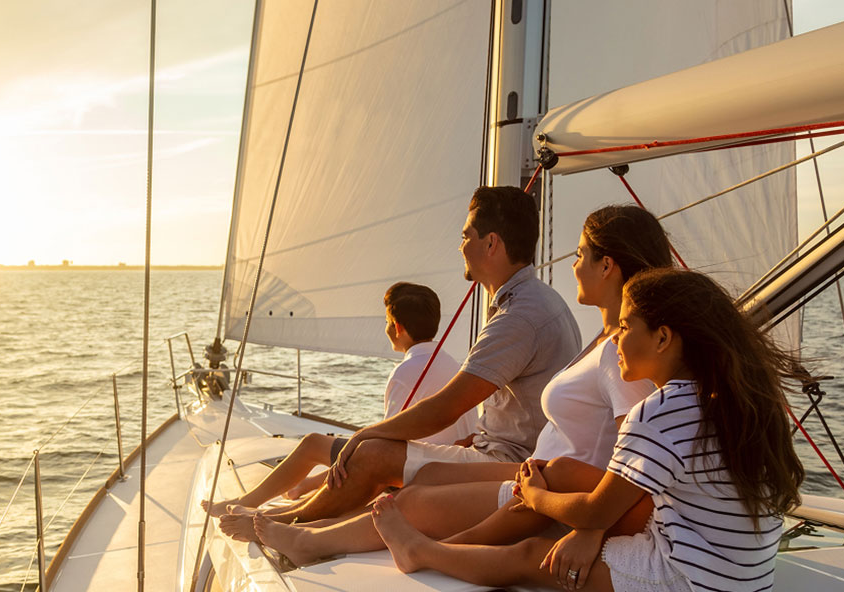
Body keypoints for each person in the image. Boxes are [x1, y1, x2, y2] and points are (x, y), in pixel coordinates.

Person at [372, 268, 806, 592]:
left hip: (691, 587)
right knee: (564, 471)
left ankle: (421, 551)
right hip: (742, 578)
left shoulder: (660, 411)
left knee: (530, 556)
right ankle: (461, 544)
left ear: (662, 338)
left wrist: (538, 498)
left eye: (625, 326)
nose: (614, 339)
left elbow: (598, 511)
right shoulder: (731, 399)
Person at [248, 205, 673, 564]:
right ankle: (320, 525)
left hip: (556, 490)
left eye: (580, 253)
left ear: (607, 266)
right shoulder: (602, 339)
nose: (572, 263)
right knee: (427, 477)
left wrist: (590, 526)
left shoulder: (620, 351)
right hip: (540, 471)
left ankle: (309, 540)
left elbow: (632, 452)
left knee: (407, 495)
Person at [225, 186, 580, 530]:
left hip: (511, 464)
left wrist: (363, 435)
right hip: (513, 454)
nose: (460, 247)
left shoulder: (518, 316)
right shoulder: (539, 301)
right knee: (376, 452)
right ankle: (290, 513)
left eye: (465, 236)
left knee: (372, 454)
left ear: (491, 244)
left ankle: (279, 521)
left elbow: (446, 408)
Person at [204, 282, 475, 516]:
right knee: (347, 451)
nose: (386, 329)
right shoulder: (456, 366)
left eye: (386, 322)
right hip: (446, 465)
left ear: (398, 327)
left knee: (312, 444)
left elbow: (383, 447)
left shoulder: (405, 372)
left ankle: (247, 502)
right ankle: (303, 487)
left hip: (411, 469)